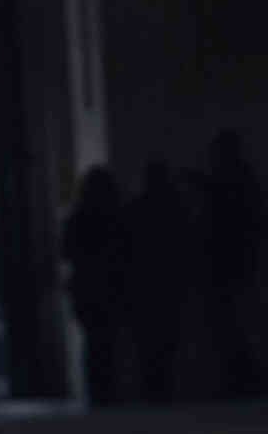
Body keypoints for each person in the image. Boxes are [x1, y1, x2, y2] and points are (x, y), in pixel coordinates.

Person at [195, 130, 266, 399]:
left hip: (231, 266)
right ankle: (241, 383)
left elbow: (236, 219)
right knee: (232, 330)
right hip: (233, 266)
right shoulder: (236, 182)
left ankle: (243, 383)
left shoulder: (233, 183)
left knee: (233, 329)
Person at [62, 166, 132, 406]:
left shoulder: (77, 218)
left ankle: (98, 392)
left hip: (87, 289)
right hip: (109, 287)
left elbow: (66, 253)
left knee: (94, 344)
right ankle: (108, 391)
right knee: (108, 342)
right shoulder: (115, 217)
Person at [124, 162, 192, 403]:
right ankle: (160, 391)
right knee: (162, 344)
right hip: (163, 286)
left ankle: (154, 391)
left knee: (151, 345)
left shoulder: (137, 209)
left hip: (148, 287)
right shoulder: (174, 209)